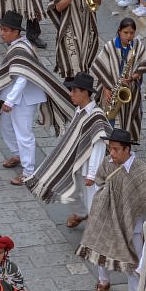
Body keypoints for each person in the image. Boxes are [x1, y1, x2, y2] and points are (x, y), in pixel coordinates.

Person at [0, 11, 74, 185]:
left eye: (5, 30)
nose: (1, 33)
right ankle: (17, 154)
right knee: (6, 126)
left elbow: (22, 77)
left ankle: (28, 171)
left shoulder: (21, 49)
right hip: (15, 97)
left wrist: (9, 100)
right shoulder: (17, 46)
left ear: (15, 32)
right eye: (1, 29)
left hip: (24, 99)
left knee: (23, 134)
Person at [75, 128, 146, 291]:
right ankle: (103, 282)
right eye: (110, 149)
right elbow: (100, 181)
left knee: (134, 262)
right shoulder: (108, 164)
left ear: (127, 150)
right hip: (107, 217)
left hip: (133, 227)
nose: (112, 153)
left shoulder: (142, 172)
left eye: (116, 149)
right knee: (102, 250)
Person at [25, 72, 111, 224]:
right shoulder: (79, 111)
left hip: (87, 169)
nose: (71, 94)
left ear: (85, 92)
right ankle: (81, 213)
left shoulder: (96, 116)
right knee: (69, 193)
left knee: (93, 203)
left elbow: (98, 146)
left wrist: (92, 175)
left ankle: (93, 236)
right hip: (75, 165)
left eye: (74, 91)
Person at [47, 0, 102, 80]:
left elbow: (98, 2)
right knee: (73, 65)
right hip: (69, 28)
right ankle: (72, 93)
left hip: (87, 27)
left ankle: (79, 94)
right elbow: (58, 7)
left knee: (84, 64)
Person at [91, 18, 146, 142]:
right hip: (111, 89)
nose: (129, 36)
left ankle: (123, 144)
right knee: (110, 118)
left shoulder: (138, 47)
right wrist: (106, 89)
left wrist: (132, 77)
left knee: (129, 117)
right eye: (126, 32)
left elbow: (142, 67)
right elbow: (101, 68)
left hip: (130, 91)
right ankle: (108, 144)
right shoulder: (109, 47)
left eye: (132, 33)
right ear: (119, 31)